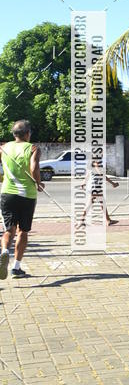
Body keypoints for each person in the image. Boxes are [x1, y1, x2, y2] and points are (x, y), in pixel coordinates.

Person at [0, 120, 43, 280]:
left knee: (8, 230)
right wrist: (38, 183)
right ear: (27, 134)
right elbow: (34, 168)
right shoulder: (32, 148)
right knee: (23, 231)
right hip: (27, 195)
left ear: (14, 134)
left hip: (7, 194)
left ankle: (4, 251)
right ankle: (16, 268)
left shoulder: (3, 148)